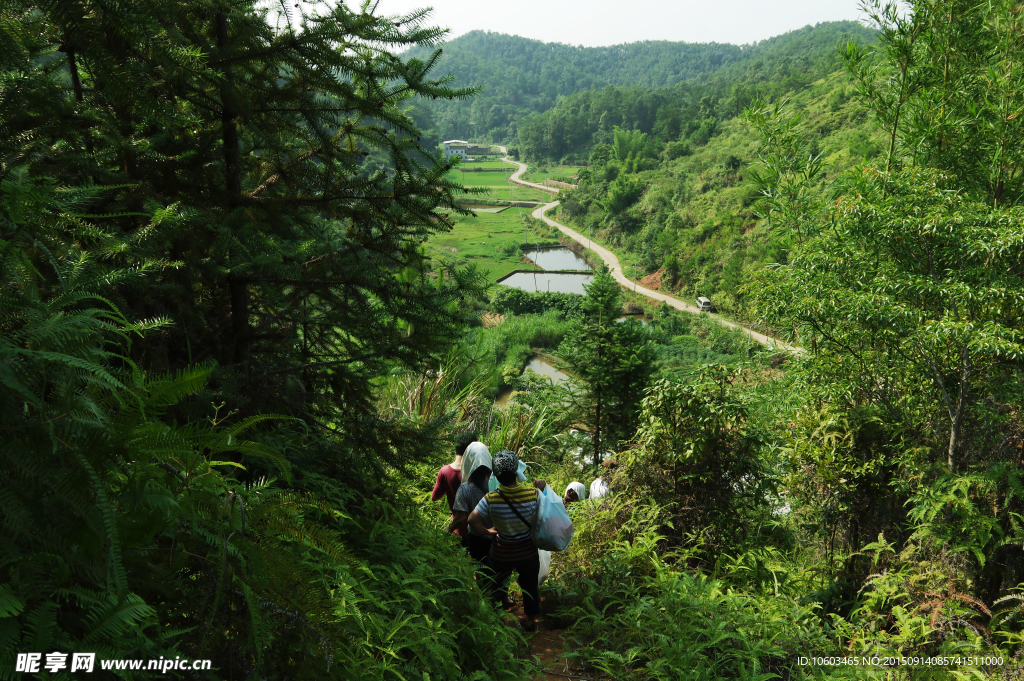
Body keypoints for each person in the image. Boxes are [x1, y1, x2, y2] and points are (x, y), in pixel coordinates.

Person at [468, 450, 547, 631]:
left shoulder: (490, 498)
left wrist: (488, 531)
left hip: (501, 552)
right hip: (527, 551)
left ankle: (498, 621)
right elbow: (545, 509)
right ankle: (529, 621)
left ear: (495, 474)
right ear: (516, 472)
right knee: (530, 586)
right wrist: (542, 487)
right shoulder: (532, 494)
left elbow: (472, 521)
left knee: (497, 587)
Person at [449, 442, 493, 563]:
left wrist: (450, 528)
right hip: (499, 537)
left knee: (481, 575)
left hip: (477, 540)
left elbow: (461, 518)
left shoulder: (465, 488)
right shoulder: (497, 484)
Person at [432, 433, 476, 538]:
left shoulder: (444, 471)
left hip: (458, 529)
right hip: (479, 528)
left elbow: (434, 497)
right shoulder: (477, 473)